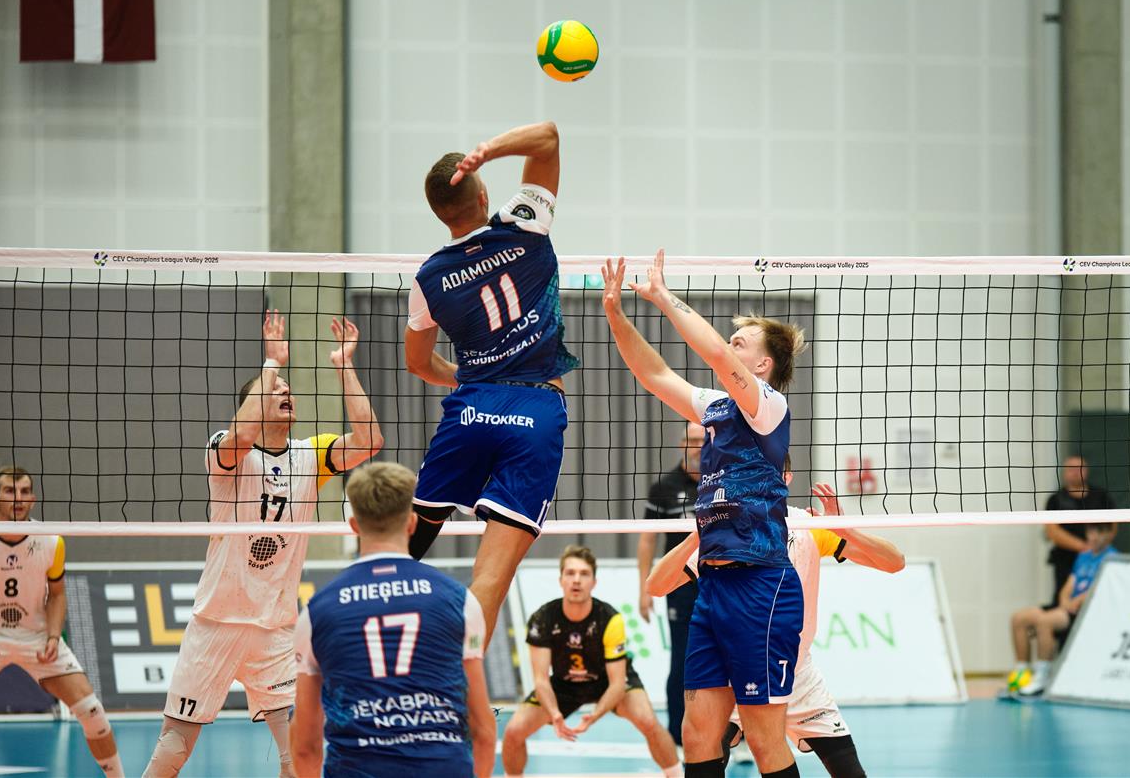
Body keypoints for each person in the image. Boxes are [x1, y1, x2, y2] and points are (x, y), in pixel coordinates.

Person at [143, 311, 384, 778]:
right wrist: (270, 364)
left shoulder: (311, 454)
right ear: (252, 403)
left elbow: (369, 440)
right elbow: (243, 434)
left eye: (288, 389)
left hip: (276, 627)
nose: (286, 392)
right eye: (275, 391)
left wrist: (343, 366)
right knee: (173, 749)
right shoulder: (226, 449)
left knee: (299, 753)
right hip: (217, 621)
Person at [601, 250, 806, 778]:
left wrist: (662, 295)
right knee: (696, 733)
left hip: (760, 583)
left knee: (763, 738)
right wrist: (616, 315)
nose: (731, 343)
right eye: (733, 338)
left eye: (743, 342)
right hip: (712, 585)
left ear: (761, 365)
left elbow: (713, 350)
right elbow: (654, 374)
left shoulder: (769, 407)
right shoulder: (716, 405)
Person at [404, 120, 577, 650]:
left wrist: (469, 375)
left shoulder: (428, 278)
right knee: (491, 577)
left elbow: (417, 363)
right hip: (536, 411)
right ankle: (461, 679)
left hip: (472, 409)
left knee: (397, 553)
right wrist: (488, 151)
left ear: (440, 213)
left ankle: (362, 657)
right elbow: (549, 136)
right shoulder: (523, 224)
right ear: (483, 195)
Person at [648, 476, 904, 778]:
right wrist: (697, 534)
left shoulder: (806, 526)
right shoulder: (724, 529)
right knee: (707, 749)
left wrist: (847, 531)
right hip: (737, 672)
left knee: (848, 771)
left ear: (786, 477)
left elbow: (894, 562)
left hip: (797, 673)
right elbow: (656, 585)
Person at [289, 462, 495, 777]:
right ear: (412, 522)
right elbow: (482, 730)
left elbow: (305, 746)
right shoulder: (459, 600)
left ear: (354, 525)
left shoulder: (317, 612)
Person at [0, 467, 124, 777]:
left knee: (93, 713)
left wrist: (53, 636)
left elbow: (58, 594)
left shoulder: (51, 540)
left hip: (37, 639)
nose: (18, 498)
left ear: (33, 499)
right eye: (10, 491)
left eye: (24, 492)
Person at [502, 545, 680, 778]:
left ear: (594, 582)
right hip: (564, 684)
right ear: (560, 580)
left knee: (648, 721)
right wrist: (555, 714)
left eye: (584, 574)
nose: (576, 580)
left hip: (607, 682)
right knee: (513, 731)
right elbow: (541, 679)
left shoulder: (610, 618)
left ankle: (676, 775)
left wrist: (595, 715)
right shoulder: (542, 618)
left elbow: (617, 684)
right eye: (570, 573)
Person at [636, 420, 703, 744]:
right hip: (679, 587)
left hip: (720, 583)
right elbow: (647, 539)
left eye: (704, 440)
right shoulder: (664, 487)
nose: (699, 447)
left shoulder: (723, 482)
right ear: (682, 444)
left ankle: (738, 736)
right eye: (693, 440)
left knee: (733, 658)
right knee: (681, 660)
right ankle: (677, 738)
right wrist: (643, 590)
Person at [1007, 522, 1118, 697]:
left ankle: (1043, 677)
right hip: (1068, 607)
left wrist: (1077, 601)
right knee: (1019, 618)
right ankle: (1022, 674)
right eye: (1091, 532)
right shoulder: (1084, 556)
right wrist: (1065, 600)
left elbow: (1099, 587)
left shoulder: (1112, 557)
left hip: (1086, 611)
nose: (1094, 537)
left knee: (1045, 621)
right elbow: (1069, 585)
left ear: (1110, 534)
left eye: (1099, 532)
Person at [1043, 455, 1115, 606]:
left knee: (1097, 599)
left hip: (1097, 557)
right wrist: (1083, 547)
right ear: (1064, 472)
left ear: (1086, 470)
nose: (1076, 472)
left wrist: (1095, 548)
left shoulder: (1101, 496)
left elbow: (1113, 524)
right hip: (1066, 559)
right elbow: (1052, 531)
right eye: (1071, 468)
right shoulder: (1056, 499)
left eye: (1079, 468)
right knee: (1063, 602)